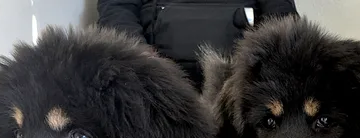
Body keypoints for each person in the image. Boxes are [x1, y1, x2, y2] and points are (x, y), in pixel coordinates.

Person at [97, 0, 297, 86]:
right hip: (154, 74)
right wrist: (140, 55)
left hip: (244, 74)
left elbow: (280, 12)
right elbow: (117, 8)